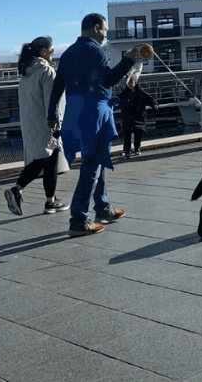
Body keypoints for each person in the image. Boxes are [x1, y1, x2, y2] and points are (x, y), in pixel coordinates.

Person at [48, 13, 142, 237]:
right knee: (92, 164)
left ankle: (102, 207)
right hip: (94, 111)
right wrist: (128, 60)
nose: (105, 35)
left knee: (98, 159)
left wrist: (52, 114)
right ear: (97, 28)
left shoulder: (68, 52)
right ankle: (78, 219)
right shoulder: (95, 50)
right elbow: (108, 80)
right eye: (105, 30)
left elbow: (58, 85)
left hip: (74, 111)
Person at [5, 37, 69, 216]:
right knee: (47, 159)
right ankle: (18, 190)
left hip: (30, 123)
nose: (53, 55)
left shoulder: (26, 72)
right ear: (44, 52)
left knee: (46, 160)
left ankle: (50, 201)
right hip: (46, 123)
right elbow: (52, 101)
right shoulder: (46, 71)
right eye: (52, 51)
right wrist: (57, 123)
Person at [118, 75, 157, 159]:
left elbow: (150, 99)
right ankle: (127, 151)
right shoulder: (124, 93)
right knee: (127, 135)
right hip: (127, 117)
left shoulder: (141, 92)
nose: (131, 84)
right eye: (129, 82)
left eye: (133, 82)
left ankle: (137, 148)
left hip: (139, 116)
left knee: (138, 133)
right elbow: (117, 101)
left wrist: (154, 105)